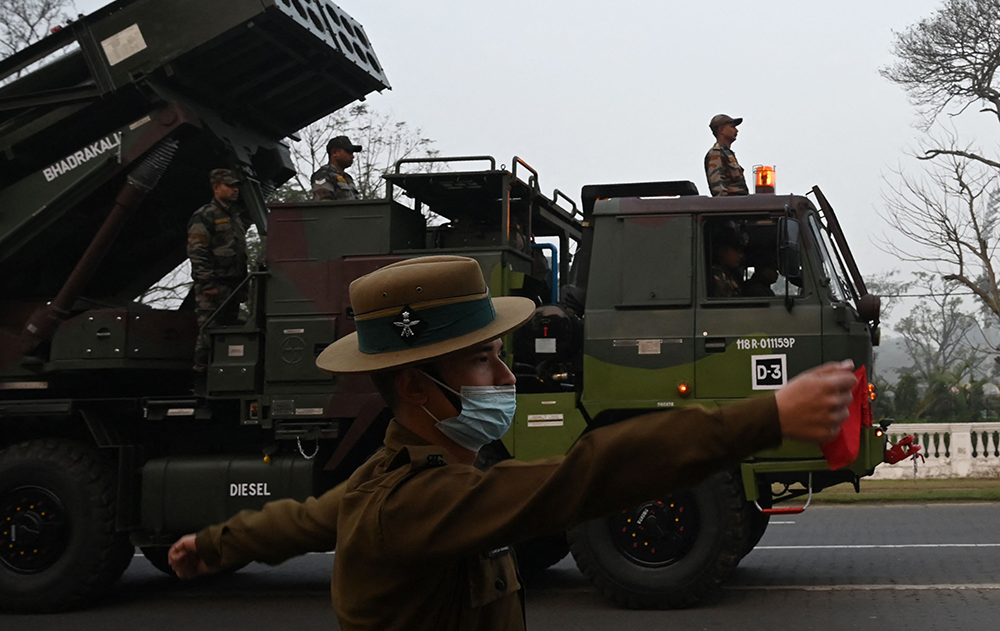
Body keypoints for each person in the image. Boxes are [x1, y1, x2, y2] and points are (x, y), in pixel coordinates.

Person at [169, 255, 857, 630]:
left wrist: (213, 544)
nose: (506, 378)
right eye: (481, 362)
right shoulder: (416, 502)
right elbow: (586, 475)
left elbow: (303, 519)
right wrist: (766, 417)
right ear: (414, 387)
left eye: (500, 355)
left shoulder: (384, 477)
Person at [187, 168, 250, 376]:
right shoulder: (205, 215)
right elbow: (197, 250)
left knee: (228, 335)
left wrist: (244, 287)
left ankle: (222, 376)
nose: (235, 190)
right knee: (208, 334)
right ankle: (200, 377)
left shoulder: (235, 217)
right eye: (229, 186)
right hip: (214, 287)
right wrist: (207, 284)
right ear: (216, 188)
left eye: (236, 186)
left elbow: (240, 254)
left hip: (233, 287)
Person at [705, 114, 749, 196]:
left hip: (740, 201)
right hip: (732, 202)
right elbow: (718, 186)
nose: (736, 130)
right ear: (721, 130)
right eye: (732, 127)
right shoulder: (716, 153)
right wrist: (724, 203)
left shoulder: (727, 153)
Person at [312, 135, 363, 200]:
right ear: (334, 153)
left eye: (352, 153)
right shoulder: (323, 175)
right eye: (348, 152)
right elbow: (324, 204)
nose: (352, 156)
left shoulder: (348, 178)